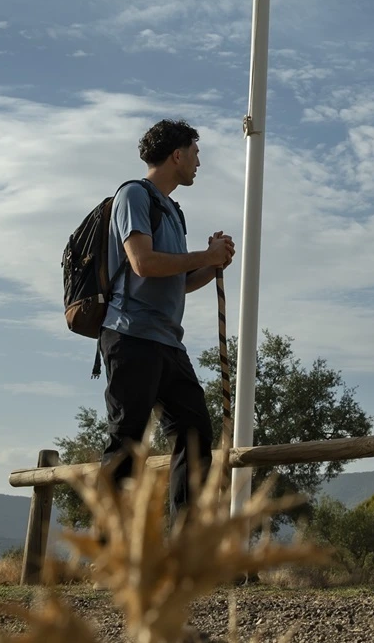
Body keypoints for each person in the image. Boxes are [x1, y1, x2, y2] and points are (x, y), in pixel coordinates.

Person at [100, 118, 236, 517]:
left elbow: (178, 281)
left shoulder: (173, 211)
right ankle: (110, 545)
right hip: (130, 335)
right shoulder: (133, 195)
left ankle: (185, 543)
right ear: (177, 155)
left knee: (195, 435)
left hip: (167, 342)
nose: (199, 162)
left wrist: (213, 263)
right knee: (127, 443)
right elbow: (143, 263)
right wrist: (205, 255)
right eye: (195, 153)